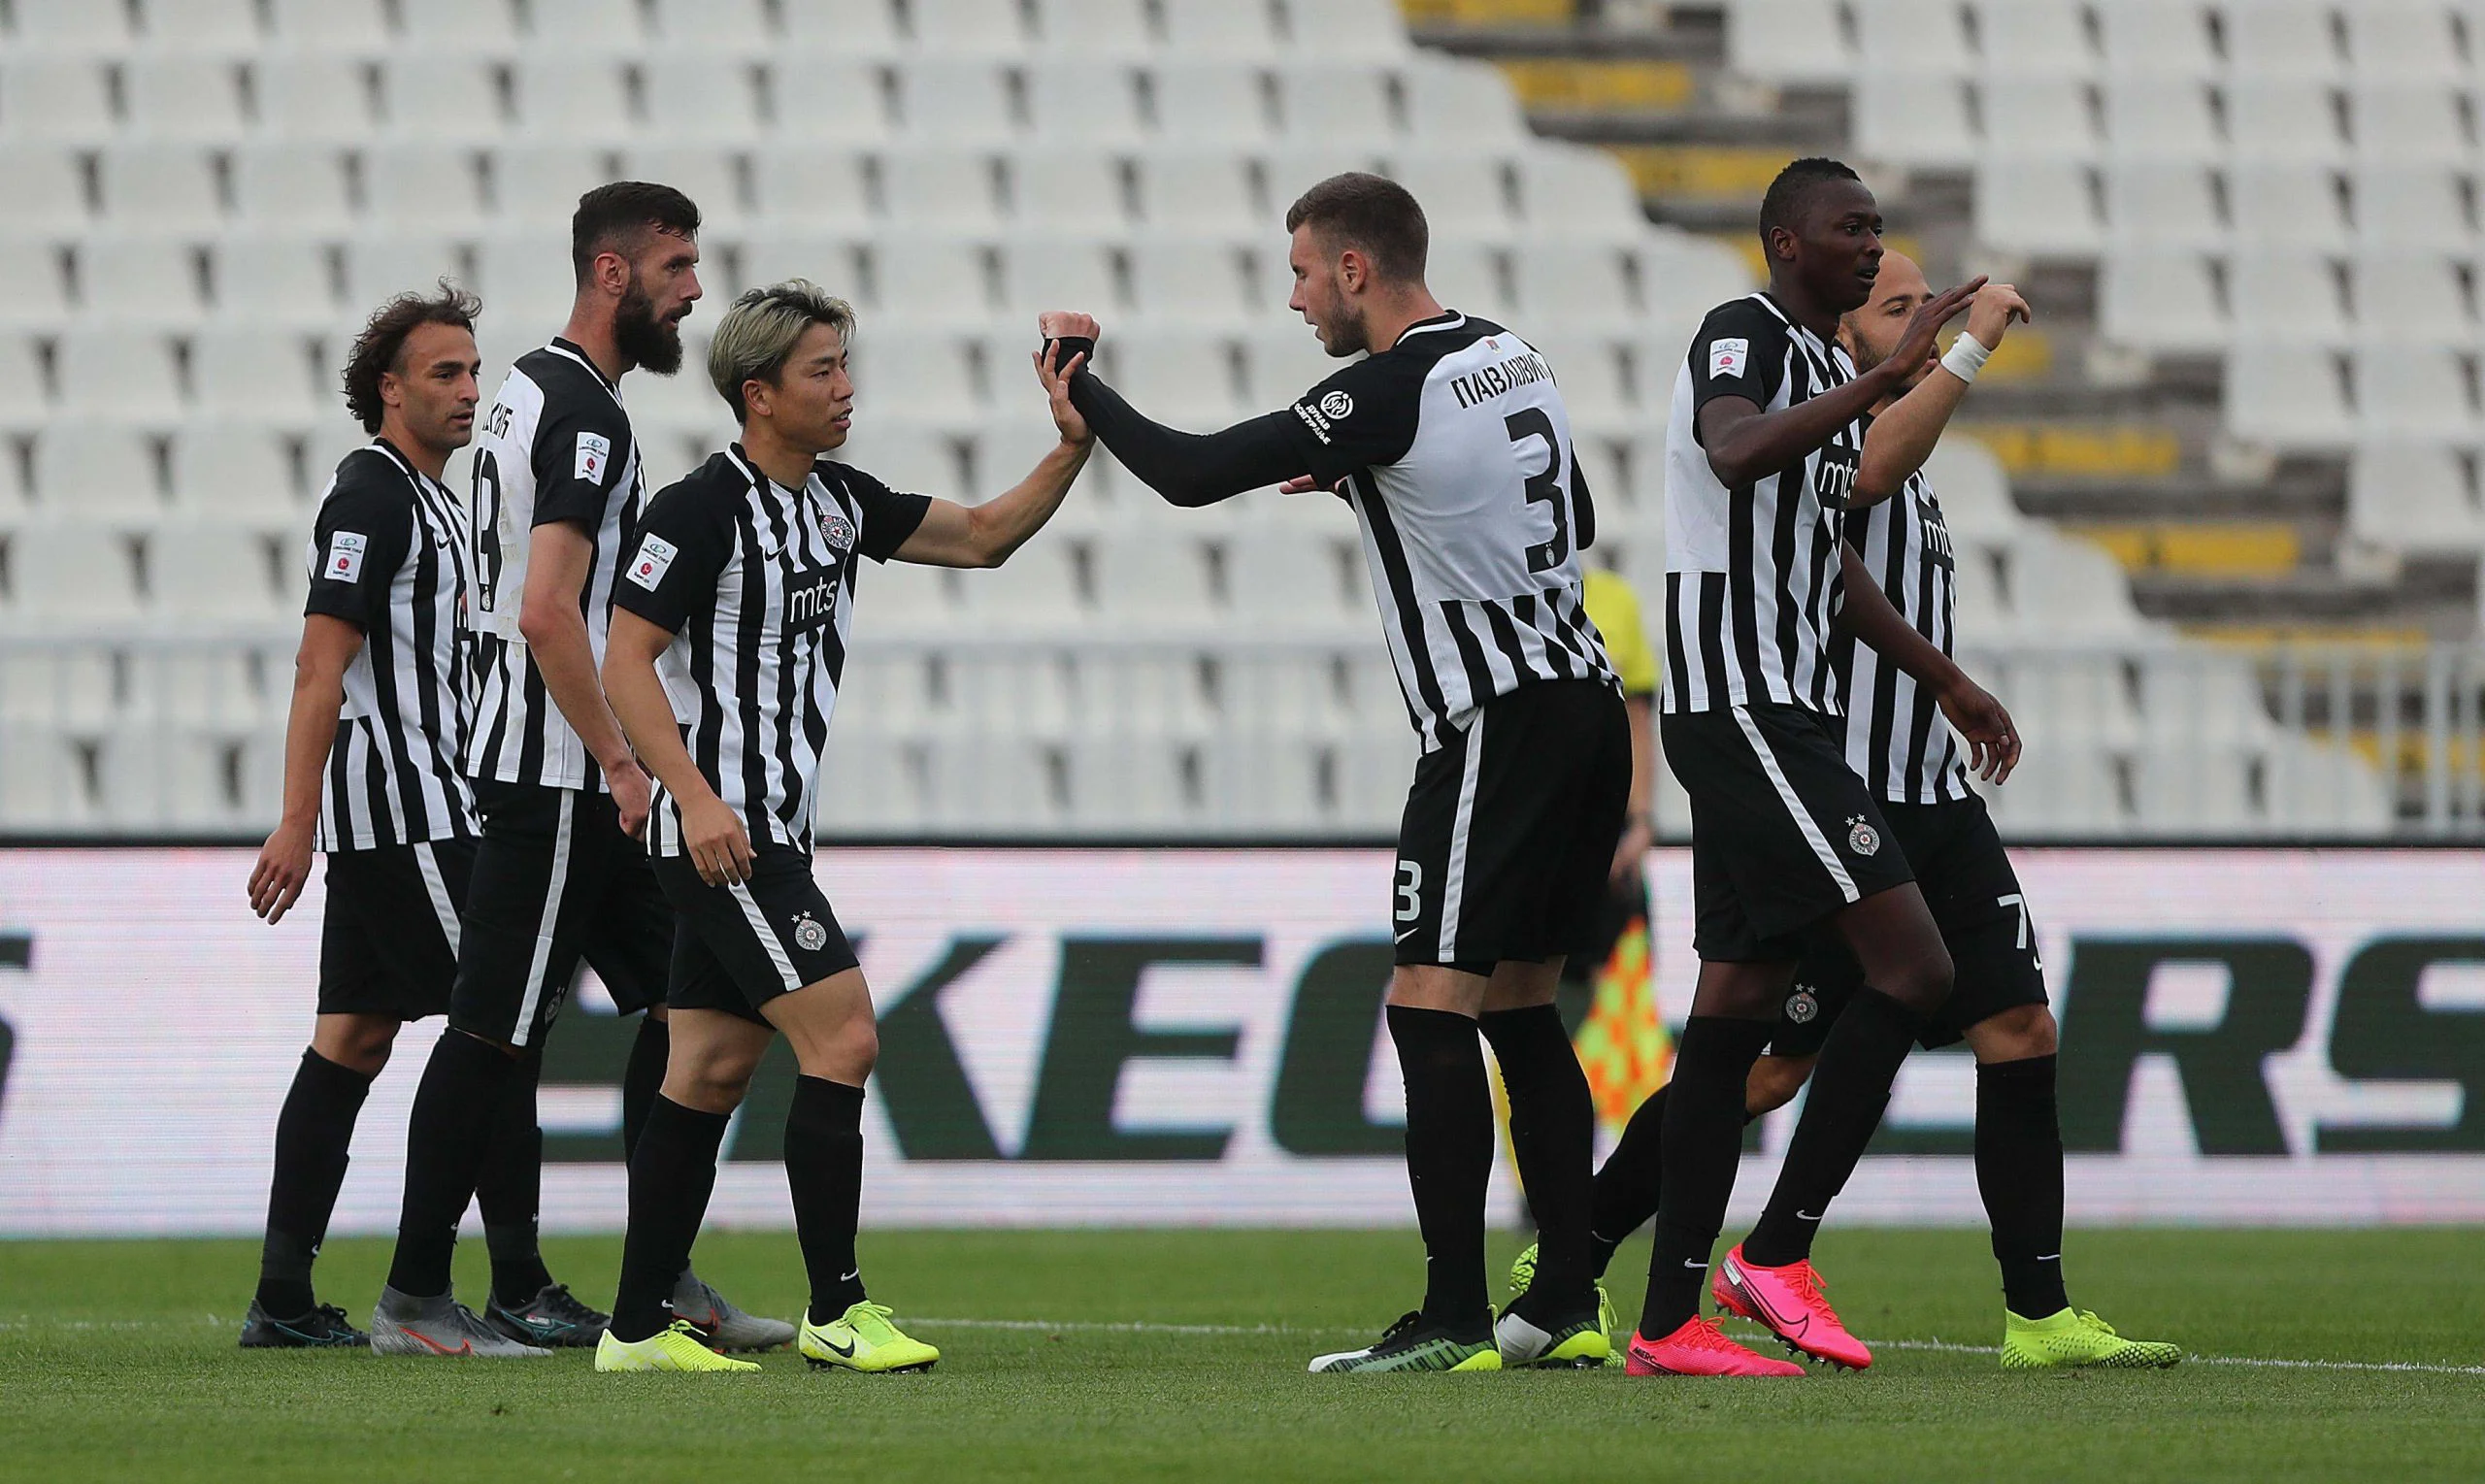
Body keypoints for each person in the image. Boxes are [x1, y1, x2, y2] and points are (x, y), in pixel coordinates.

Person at [1519, 252, 2178, 1371]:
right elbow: (1867, 468)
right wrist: (1959, 353)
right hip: (1845, 784)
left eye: (1919, 302)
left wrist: (1948, 682)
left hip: (1934, 789)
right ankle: (1594, 1251)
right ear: (1854, 337)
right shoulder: (1840, 431)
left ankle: (2039, 1311)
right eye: (1893, 308)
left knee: (2019, 1027)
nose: (1913, 318)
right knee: (1768, 1064)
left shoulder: (1884, 445)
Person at [1042, 171, 1630, 1374]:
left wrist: (1077, 383)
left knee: (1426, 1006)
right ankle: (1565, 1297)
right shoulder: (1511, 353)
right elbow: (1566, 503)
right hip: (1585, 708)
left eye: (1305, 270)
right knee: (1523, 1005)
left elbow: (1192, 472)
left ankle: (1456, 1315)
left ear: (1357, 268)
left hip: (1493, 724)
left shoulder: (1385, 385)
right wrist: (1373, 470)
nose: (1297, 296)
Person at [592, 280, 1095, 1373]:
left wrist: (1070, 445)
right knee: (847, 1034)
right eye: (823, 370)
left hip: (765, 829)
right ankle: (837, 1307)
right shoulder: (696, 509)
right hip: (723, 835)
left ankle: (633, 1328)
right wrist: (693, 794)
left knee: (710, 1068)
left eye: (844, 365)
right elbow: (621, 659)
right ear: (758, 392)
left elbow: (982, 538)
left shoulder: (835, 500)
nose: (845, 387)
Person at [1618, 156, 2028, 1378]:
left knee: (1730, 1023)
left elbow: (1820, 558)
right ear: (1786, 242)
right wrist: (1893, 376)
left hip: (1777, 706)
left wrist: (1943, 676)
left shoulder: (1814, 368)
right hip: (1743, 708)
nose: (1870, 245)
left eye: (1878, 227)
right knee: (1912, 965)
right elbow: (1736, 453)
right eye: (1849, 229)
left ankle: (1664, 1318)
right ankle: (1775, 1253)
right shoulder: (1741, 333)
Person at [371, 183, 782, 1356]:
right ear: (614, 273)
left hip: (577, 768)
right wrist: (621, 759)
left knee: (691, 1007)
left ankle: (660, 1283)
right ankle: (412, 1295)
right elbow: (550, 612)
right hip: (562, 773)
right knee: (491, 1026)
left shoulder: (526, 396)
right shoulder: (588, 419)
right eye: (678, 268)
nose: (694, 290)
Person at [242, 286, 508, 1348]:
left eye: (474, 371)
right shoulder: (372, 493)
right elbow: (322, 661)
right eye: (445, 373)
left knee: (351, 1040)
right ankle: (446, 1289)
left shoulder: (439, 499)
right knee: (494, 1028)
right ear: (387, 388)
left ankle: (282, 1298)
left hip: (421, 805)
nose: (469, 391)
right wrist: (295, 818)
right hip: (409, 810)